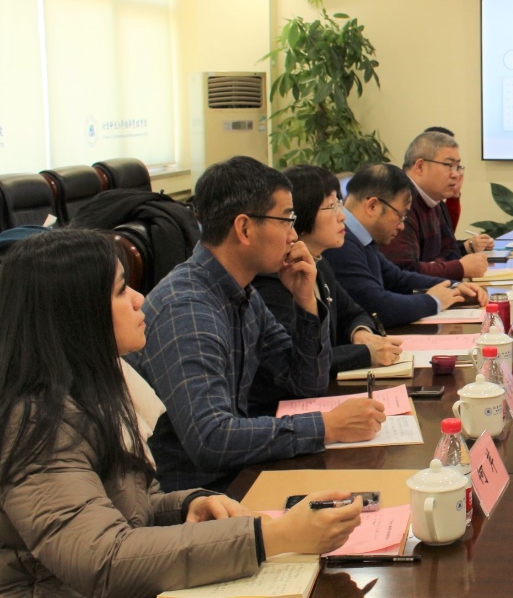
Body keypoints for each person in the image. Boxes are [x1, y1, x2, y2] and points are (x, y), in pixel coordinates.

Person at [0, 229, 363, 597]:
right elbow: (104, 560)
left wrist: (188, 505)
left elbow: (129, 510)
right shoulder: (35, 423)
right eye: (121, 291)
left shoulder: (98, 384)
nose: (140, 299)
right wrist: (270, 537)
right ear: (77, 315)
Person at [128, 156, 386, 491]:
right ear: (245, 229)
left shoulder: (244, 293)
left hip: (238, 475)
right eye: (286, 220)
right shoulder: (187, 307)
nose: (293, 236)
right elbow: (211, 439)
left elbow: (306, 383)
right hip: (196, 497)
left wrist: (305, 302)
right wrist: (327, 426)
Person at [250, 165, 403, 415]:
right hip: (281, 412)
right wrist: (365, 353)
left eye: (339, 204)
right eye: (331, 207)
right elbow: (299, 362)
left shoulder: (319, 263)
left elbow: (354, 312)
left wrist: (360, 333)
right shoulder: (272, 280)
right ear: (301, 215)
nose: (342, 216)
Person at [324, 163, 487, 328]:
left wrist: (455, 287)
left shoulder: (360, 237)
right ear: (372, 206)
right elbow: (379, 307)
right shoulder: (340, 244)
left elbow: (398, 278)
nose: (402, 226)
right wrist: (434, 300)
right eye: (400, 215)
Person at [380, 130, 494, 280]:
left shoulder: (434, 200)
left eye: (457, 167)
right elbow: (404, 271)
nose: (456, 174)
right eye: (449, 165)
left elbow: (452, 250)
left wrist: (434, 266)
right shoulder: (398, 200)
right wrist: (458, 268)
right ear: (420, 167)